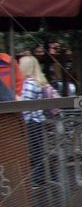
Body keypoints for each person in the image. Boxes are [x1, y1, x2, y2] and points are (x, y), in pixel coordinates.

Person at [18, 55, 61, 190]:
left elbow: (25, 105)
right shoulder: (38, 81)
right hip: (37, 120)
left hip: (31, 121)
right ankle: (53, 176)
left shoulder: (29, 83)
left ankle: (38, 179)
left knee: (36, 150)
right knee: (39, 150)